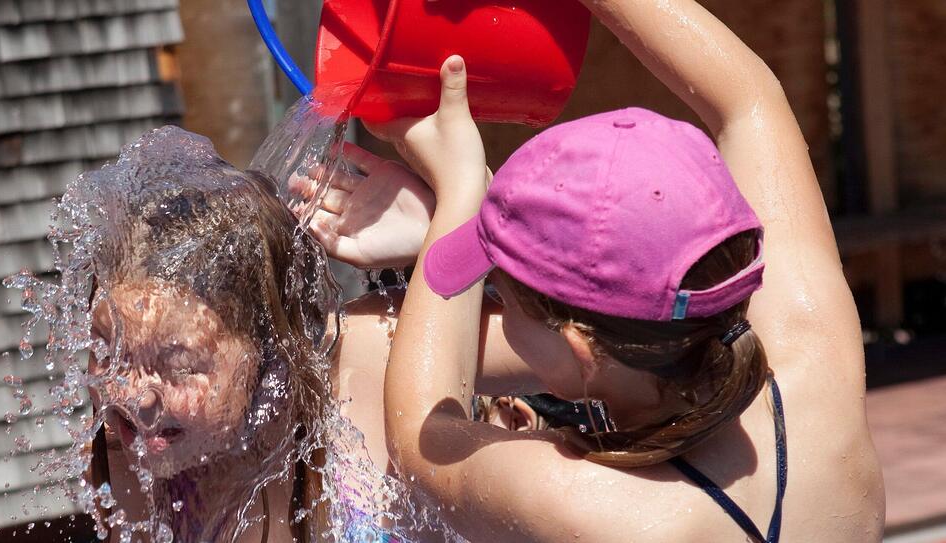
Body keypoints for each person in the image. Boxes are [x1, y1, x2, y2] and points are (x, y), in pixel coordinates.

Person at [354, 0, 885, 541]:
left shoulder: (590, 504)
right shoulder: (815, 366)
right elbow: (751, 101)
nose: (494, 299)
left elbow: (419, 438)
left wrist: (462, 188)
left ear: (581, 349)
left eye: (503, 296)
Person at [80, 126, 533, 542]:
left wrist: (462, 236)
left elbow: (581, 345)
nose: (133, 395)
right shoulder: (129, 461)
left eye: (178, 365)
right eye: (110, 350)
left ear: (268, 346)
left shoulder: (371, 353)